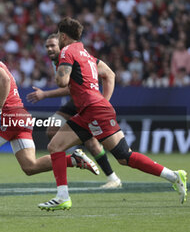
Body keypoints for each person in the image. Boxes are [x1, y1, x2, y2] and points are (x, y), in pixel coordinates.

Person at [38, 17, 187, 211]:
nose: (58, 40)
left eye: (58, 36)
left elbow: (62, 81)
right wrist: (103, 101)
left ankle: (174, 176)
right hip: (89, 111)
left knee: (124, 157)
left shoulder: (67, 51)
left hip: (93, 110)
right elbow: (109, 74)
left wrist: (60, 70)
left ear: (63, 36)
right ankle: (62, 196)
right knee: (55, 145)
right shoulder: (86, 54)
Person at [0, 32, 99, 213]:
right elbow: (4, 86)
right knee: (30, 166)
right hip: (21, 117)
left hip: (8, 115)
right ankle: (73, 160)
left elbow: (4, 80)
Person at [27, 33, 122, 188]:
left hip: (87, 102)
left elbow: (71, 89)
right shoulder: (55, 61)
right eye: (47, 46)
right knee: (52, 129)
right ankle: (77, 153)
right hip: (75, 103)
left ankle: (113, 178)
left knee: (94, 144)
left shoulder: (68, 58)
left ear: (61, 47)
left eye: (53, 45)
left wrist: (45, 94)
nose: (49, 49)